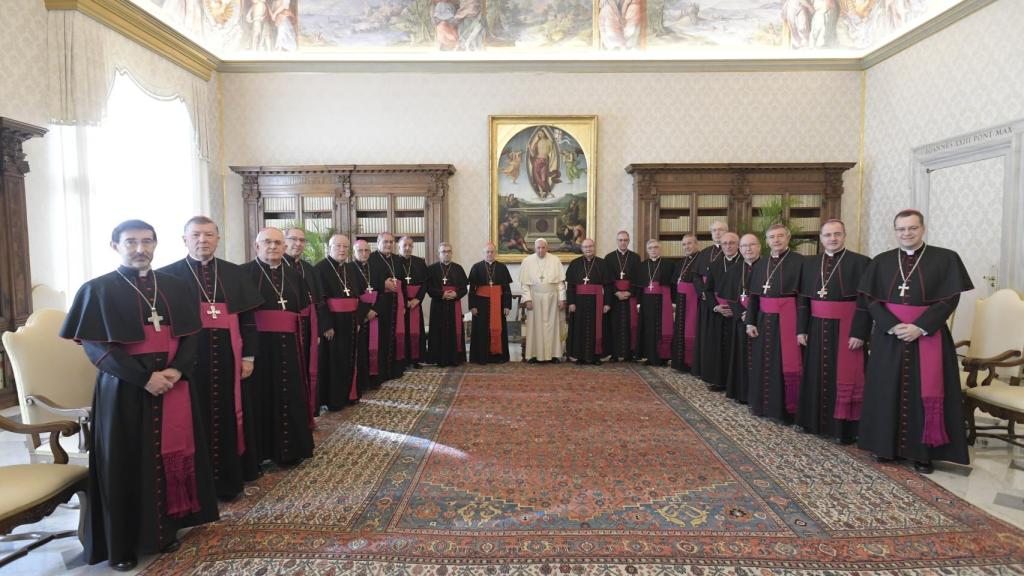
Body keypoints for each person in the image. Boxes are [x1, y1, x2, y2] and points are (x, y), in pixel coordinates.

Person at [61, 220, 217, 571]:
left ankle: (164, 531)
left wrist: (175, 371)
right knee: (124, 464)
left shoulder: (176, 287)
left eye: (146, 241)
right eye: (130, 242)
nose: (139, 248)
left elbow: (192, 336)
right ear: (115, 245)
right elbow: (97, 349)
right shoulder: (96, 290)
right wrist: (143, 378)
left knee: (170, 458)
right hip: (123, 392)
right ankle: (124, 544)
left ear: (156, 244)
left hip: (174, 384)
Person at [857, 209, 973, 474]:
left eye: (912, 228)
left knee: (926, 393)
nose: (906, 233)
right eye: (901, 229)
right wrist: (890, 325)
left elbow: (949, 298)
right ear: (895, 231)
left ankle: (924, 454)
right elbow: (871, 299)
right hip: (890, 337)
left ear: (923, 229)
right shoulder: (882, 261)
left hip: (927, 336)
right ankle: (885, 448)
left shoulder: (945, 258)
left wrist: (920, 327)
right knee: (887, 391)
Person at [158, 216, 262, 501]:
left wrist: (249, 357)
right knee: (194, 419)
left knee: (229, 416)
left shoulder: (234, 273)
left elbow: (248, 320)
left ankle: (229, 481)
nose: (202, 240)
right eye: (196, 235)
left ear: (218, 238)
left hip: (231, 357)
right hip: (188, 362)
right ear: (184, 239)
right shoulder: (167, 276)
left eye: (208, 235)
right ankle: (198, 486)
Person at [241, 227, 315, 470]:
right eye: (267, 242)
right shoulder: (243, 274)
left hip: (290, 346)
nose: (272, 247)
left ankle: (291, 449)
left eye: (277, 243)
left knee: (289, 393)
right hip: (258, 348)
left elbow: (303, 311)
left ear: (284, 247)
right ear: (257, 246)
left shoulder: (294, 275)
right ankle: (260, 452)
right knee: (259, 397)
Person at [796, 219, 872, 444]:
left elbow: (866, 302)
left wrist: (860, 333)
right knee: (816, 372)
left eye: (837, 234)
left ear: (844, 235)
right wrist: (801, 328)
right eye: (827, 235)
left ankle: (845, 429)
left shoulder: (861, 263)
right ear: (821, 238)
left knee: (846, 375)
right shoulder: (810, 264)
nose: (832, 239)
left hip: (847, 328)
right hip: (817, 326)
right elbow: (803, 300)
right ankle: (812, 422)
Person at [745, 224, 806, 421]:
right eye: (772, 237)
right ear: (767, 241)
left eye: (780, 236)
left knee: (784, 363)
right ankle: (762, 405)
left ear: (788, 238)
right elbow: (753, 297)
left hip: (789, 319)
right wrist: (751, 322)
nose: (776, 240)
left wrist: (802, 328)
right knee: (763, 362)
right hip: (763, 320)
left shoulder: (801, 262)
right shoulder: (760, 264)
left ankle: (785, 409)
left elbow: (804, 298)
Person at [315, 234, 370, 410]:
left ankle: (350, 394)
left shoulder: (351, 268)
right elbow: (319, 300)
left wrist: (360, 319)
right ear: (329, 248)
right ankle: (334, 399)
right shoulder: (320, 269)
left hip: (352, 321)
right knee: (334, 361)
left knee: (351, 358)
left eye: (345, 247)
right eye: (338, 246)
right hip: (334, 323)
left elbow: (362, 296)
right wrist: (326, 325)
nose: (341, 250)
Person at [283, 227, 327, 419]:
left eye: (302, 240)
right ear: (284, 240)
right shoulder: (277, 267)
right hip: (286, 329)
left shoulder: (310, 269)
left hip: (309, 326)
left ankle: (309, 408)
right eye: (293, 239)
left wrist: (320, 329)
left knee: (310, 365)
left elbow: (319, 300)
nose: (298, 244)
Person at [720, 234, 761, 403]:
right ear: (740, 249)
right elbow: (730, 297)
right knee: (741, 357)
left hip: (760, 320)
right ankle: (743, 393)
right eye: (744, 246)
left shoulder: (766, 267)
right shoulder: (734, 269)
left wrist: (752, 315)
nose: (748, 249)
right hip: (740, 320)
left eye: (751, 245)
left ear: (759, 246)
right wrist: (741, 313)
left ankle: (758, 394)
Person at [365, 232, 406, 385]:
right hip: (380, 304)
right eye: (385, 241)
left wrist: (404, 303)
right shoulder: (371, 259)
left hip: (396, 303)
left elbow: (403, 283)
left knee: (395, 336)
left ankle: (395, 369)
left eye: (391, 242)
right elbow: (366, 282)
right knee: (381, 338)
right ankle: (381, 372)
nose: (389, 244)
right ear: (378, 242)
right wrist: (383, 284)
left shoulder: (396, 259)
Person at [702, 232, 742, 390]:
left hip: (737, 314)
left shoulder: (745, 264)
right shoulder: (715, 265)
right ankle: (719, 381)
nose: (728, 246)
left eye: (732, 243)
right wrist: (715, 307)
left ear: (738, 245)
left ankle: (736, 383)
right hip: (719, 313)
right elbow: (708, 290)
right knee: (718, 349)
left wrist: (735, 310)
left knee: (736, 349)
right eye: (725, 243)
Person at [519, 237, 566, 363]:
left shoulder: (555, 260)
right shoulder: (527, 261)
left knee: (553, 326)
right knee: (535, 327)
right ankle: (533, 355)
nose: (540, 250)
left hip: (552, 298)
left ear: (547, 248)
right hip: (535, 298)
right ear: (535, 248)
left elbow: (560, 283)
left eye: (543, 247)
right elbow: (525, 284)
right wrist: (527, 299)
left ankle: (554, 355)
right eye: (538, 248)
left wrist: (562, 299)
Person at [692, 220, 729, 377]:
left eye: (721, 230)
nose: (717, 232)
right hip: (706, 301)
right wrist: (703, 293)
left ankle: (720, 374)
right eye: (714, 230)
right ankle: (705, 370)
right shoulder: (704, 253)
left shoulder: (732, 251)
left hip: (725, 301)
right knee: (706, 336)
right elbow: (696, 275)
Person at [566, 238, 611, 365]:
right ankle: (580, 356)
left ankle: (595, 357)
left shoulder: (602, 263)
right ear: (582, 249)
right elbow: (571, 286)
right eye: (585, 247)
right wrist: (571, 302)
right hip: (579, 303)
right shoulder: (575, 263)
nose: (588, 249)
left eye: (590, 246)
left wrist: (607, 303)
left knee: (597, 328)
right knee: (579, 328)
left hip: (597, 301)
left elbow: (608, 286)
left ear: (594, 247)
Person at [468, 242, 513, 364]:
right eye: (487, 252)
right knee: (481, 329)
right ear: (484, 253)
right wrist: (472, 306)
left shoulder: (502, 267)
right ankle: (481, 357)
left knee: (498, 328)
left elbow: (506, 289)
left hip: (498, 303)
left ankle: (498, 357)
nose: (490, 254)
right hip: (480, 303)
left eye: (492, 251)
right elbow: (472, 289)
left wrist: (507, 305)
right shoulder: (476, 267)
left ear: (495, 253)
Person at [426, 242, 468, 366]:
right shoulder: (432, 269)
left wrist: (456, 294)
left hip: (454, 305)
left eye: (449, 251)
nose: (447, 254)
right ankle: (438, 358)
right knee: (438, 331)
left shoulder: (458, 268)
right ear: (439, 254)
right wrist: (442, 294)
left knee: (453, 331)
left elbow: (464, 288)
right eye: (444, 251)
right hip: (438, 305)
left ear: (452, 253)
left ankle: (455, 358)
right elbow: (428, 288)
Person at [636, 239, 675, 366]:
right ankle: (649, 356)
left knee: (663, 328)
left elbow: (673, 285)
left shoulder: (669, 264)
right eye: (651, 248)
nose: (653, 250)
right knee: (648, 329)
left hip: (663, 301)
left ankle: (663, 357)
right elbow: (639, 287)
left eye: (656, 247)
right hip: (647, 302)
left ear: (660, 248)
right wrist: (638, 303)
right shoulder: (642, 265)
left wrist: (673, 302)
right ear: (647, 250)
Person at [605, 230, 640, 362]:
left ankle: (629, 354)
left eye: (625, 240)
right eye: (620, 240)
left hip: (630, 296)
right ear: (617, 241)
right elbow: (607, 279)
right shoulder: (609, 258)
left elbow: (637, 278)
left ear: (629, 241)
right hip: (615, 297)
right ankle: (614, 354)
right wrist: (616, 292)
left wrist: (630, 292)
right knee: (614, 324)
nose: (623, 242)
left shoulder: (635, 257)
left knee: (630, 324)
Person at [397, 236, 428, 368]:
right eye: (404, 245)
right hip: (400, 303)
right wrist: (404, 301)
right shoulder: (394, 261)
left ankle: (416, 359)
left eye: (410, 245)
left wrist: (418, 299)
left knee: (416, 331)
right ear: (399, 246)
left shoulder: (419, 262)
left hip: (415, 302)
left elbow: (425, 283)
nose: (407, 248)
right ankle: (402, 360)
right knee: (401, 331)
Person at [671, 234, 700, 372]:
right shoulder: (681, 262)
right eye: (684, 244)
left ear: (696, 244)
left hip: (694, 302)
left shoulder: (701, 260)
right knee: (680, 329)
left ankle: (692, 363)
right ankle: (680, 362)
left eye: (689, 243)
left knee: (691, 329)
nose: (686, 246)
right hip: (681, 301)